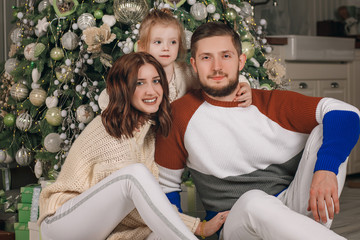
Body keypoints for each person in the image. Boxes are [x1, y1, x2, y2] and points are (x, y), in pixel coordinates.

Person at [155, 22, 360, 240]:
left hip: (293, 209)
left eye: (226, 56)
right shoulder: (180, 115)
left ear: (240, 61)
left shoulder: (269, 103)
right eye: (207, 57)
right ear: (194, 65)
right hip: (236, 222)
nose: (216, 67)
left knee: (327, 129)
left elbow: (346, 112)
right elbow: (166, 188)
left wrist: (326, 169)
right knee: (254, 201)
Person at [37, 52, 226, 240]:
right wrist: (194, 226)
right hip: (62, 223)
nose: (151, 91)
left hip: (102, 228)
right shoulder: (109, 128)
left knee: (161, 236)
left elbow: (149, 205)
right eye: (139, 83)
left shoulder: (151, 133)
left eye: (156, 81)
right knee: (134, 174)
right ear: (123, 89)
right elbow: (137, 204)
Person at [98, 9, 252, 110]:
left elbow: (214, 77)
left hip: (176, 132)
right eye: (158, 42)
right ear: (142, 46)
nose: (166, 48)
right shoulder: (133, 73)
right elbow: (105, 99)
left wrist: (243, 84)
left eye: (173, 42)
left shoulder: (185, 72)